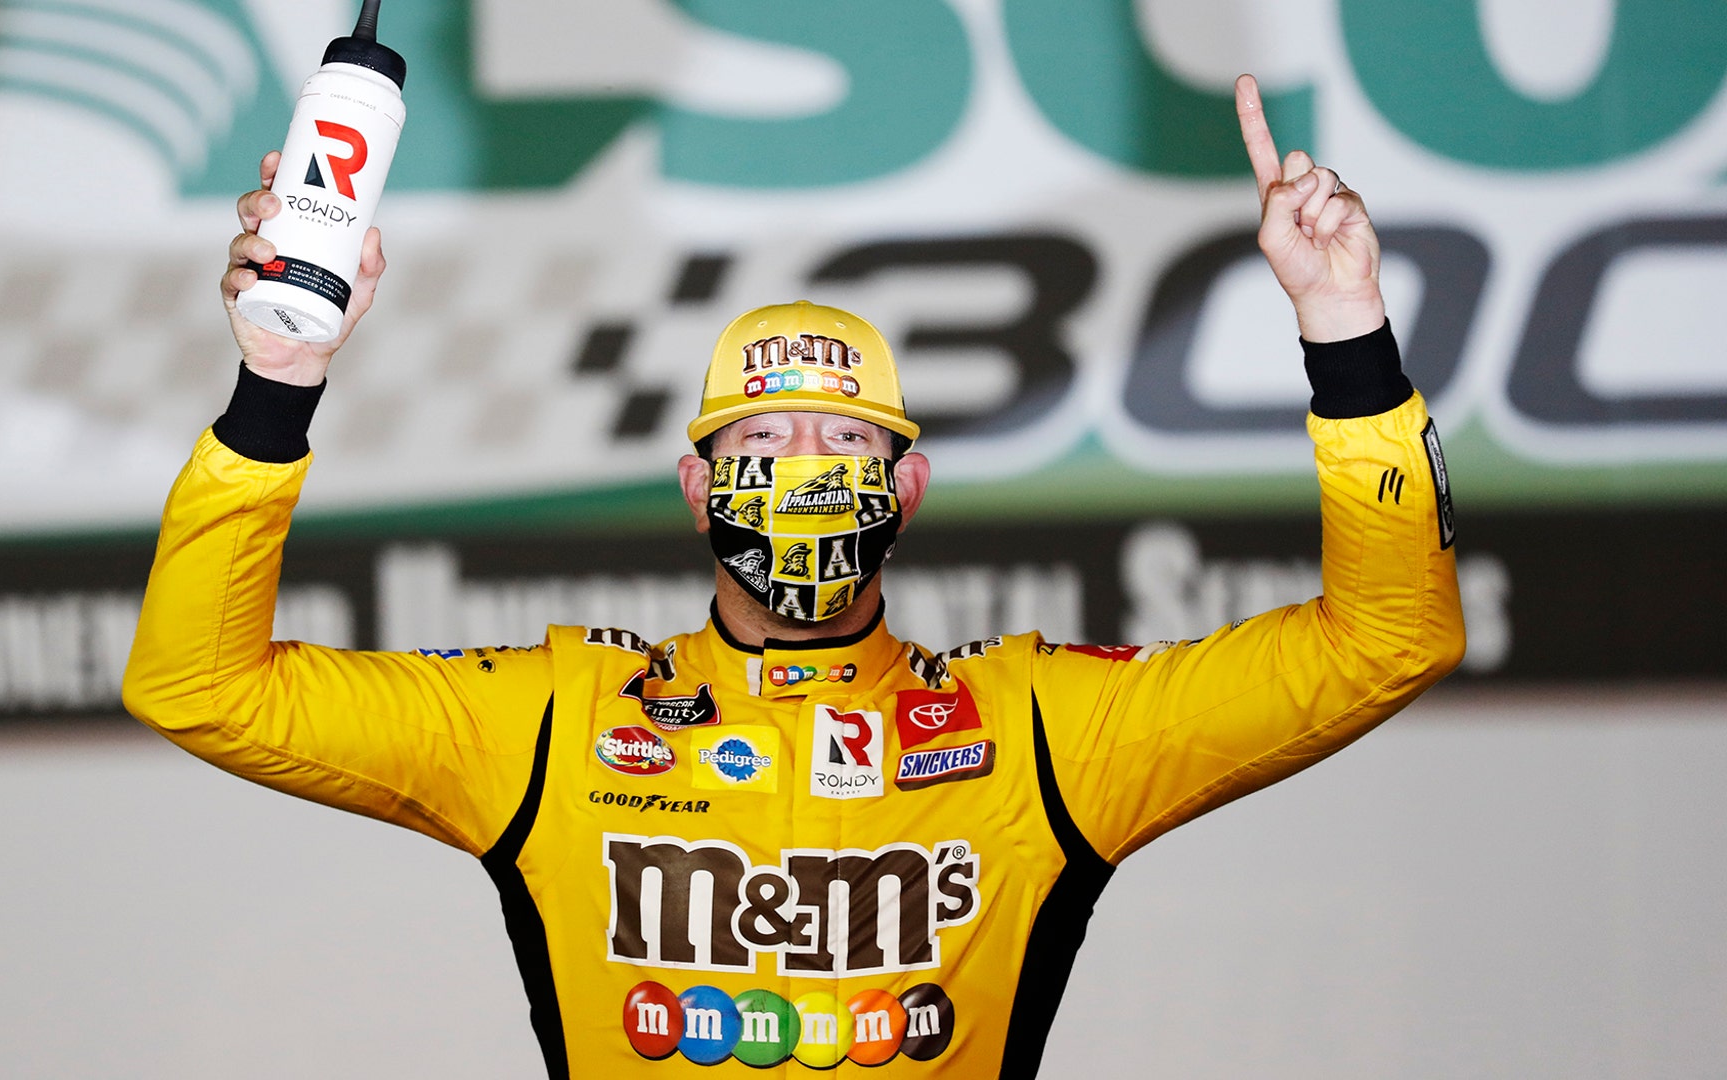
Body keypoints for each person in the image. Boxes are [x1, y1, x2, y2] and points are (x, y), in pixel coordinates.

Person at [124, 75, 1464, 1077]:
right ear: (700, 491)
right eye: (762, 442)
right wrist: (276, 386)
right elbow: (199, 688)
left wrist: (1344, 329)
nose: (805, 467)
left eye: (843, 443)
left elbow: (1385, 643)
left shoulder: (1047, 727)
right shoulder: (550, 721)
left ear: (909, 489)